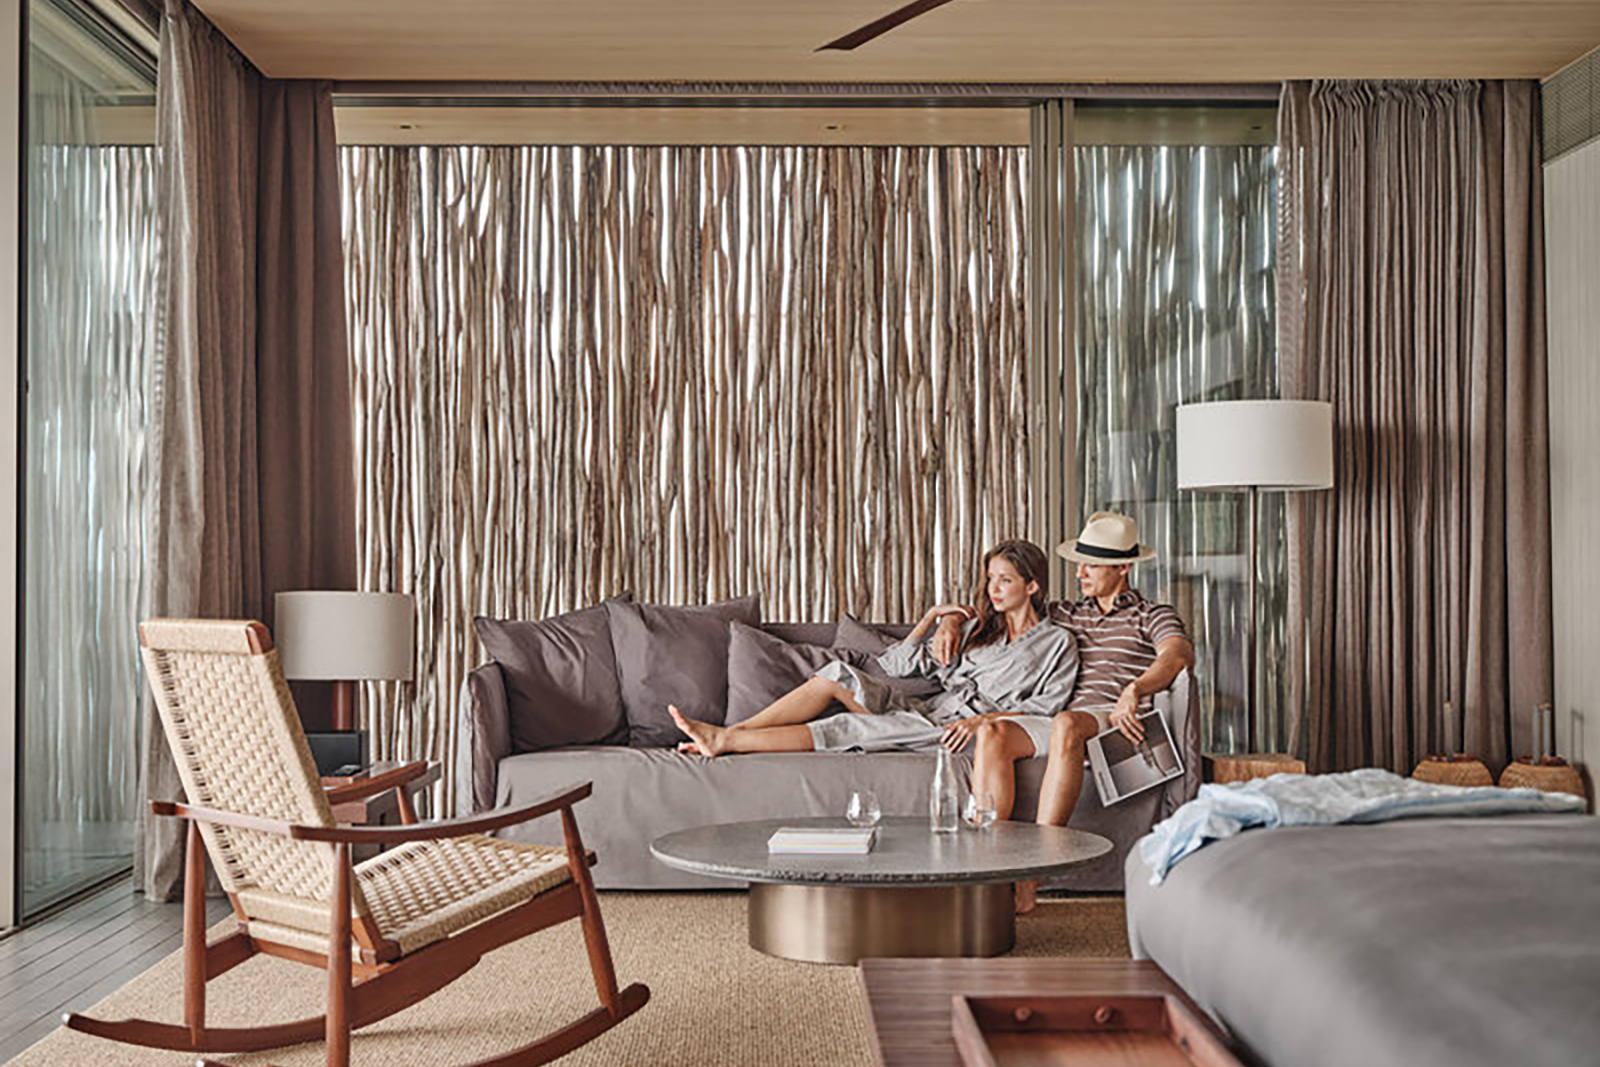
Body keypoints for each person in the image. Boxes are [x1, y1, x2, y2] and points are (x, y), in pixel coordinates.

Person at [667, 540, 1079, 820]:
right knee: (837, 675)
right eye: (990, 578)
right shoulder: (977, 630)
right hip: (928, 713)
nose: (993, 589)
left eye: (1005, 579)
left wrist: (983, 721)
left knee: (849, 725)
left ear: (1032, 585)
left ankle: (726, 741)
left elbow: (1046, 708)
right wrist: (934, 618)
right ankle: (734, 731)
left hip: (965, 731)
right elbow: (896, 666)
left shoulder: (1057, 643)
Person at [931, 511, 1194, 912]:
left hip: (1117, 720)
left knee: (1068, 723)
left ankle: (1031, 874)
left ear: (1123, 568)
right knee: (993, 732)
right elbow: (1003, 600)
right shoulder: (1068, 612)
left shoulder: (1152, 615)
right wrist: (950, 620)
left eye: (1092, 565)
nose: (1080, 573)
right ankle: (986, 868)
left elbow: (1178, 655)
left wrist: (1135, 689)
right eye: (1080, 563)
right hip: (1059, 720)